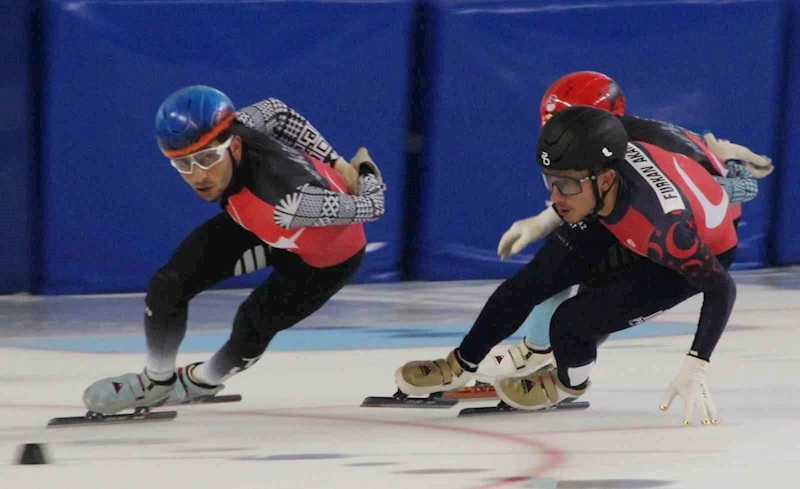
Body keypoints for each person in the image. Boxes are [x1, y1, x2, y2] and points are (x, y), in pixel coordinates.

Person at [396, 105, 738, 425]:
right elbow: (574, 193)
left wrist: (696, 365)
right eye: (550, 182)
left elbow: (722, 287)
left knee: (572, 322)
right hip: (619, 210)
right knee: (532, 281)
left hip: (697, 245)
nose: (556, 197)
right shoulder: (604, 150)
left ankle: (568, 383)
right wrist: (543, 221)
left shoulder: (665, 231)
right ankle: (461, 363)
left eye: (567, 185)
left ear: (604, 179)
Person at [82, 85, 386, 414]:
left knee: (254, 320)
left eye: (208, 159)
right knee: (168, 285)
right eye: (183, 165)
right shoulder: (238, 125)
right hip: (261, 227)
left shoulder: (292, 201)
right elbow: (277, 110)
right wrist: (336, 160)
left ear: (235, 147)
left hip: (324, 260)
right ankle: (156, 383)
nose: (198, 176)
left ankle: (203, 381)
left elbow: (372, 205)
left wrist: (363, 172)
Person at [470, 71, 772, 385]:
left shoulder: (648, 149)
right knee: (568, 252)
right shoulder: (608, 143)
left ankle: (545, 354)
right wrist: (547, 220)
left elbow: (737, 190)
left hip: (697, 220)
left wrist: (736, 165)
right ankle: (540, 349)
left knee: (601, 284)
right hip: (663, 197)